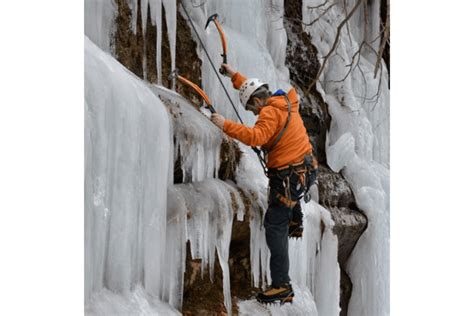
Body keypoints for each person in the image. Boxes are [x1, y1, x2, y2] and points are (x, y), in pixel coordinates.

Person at [210, 64, 318, 304]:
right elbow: (253, 89)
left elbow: (256, 137)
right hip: (306, 170)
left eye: (252, 109)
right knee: (289, 201)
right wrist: (235, 77)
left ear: (258, 103)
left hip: (288, 177)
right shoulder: (284, 102)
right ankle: (295, 220)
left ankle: (282, 285)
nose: (254, 114)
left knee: (273, 226)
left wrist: (224, 124)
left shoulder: (268, 113)